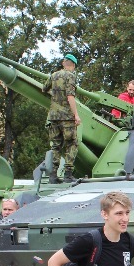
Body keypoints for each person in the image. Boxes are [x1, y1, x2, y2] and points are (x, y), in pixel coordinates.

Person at [41, 53, 82, 182]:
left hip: (53, 116)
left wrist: (56, 96)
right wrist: (76, 115)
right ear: (73, 65)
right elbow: (70, 96)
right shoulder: (71, 76)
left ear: (64, 63)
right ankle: (68, 174)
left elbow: (44, 89)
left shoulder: (53, 75)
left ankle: (53, 175)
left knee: (56, 145)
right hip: (66, 117)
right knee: (72, 143)